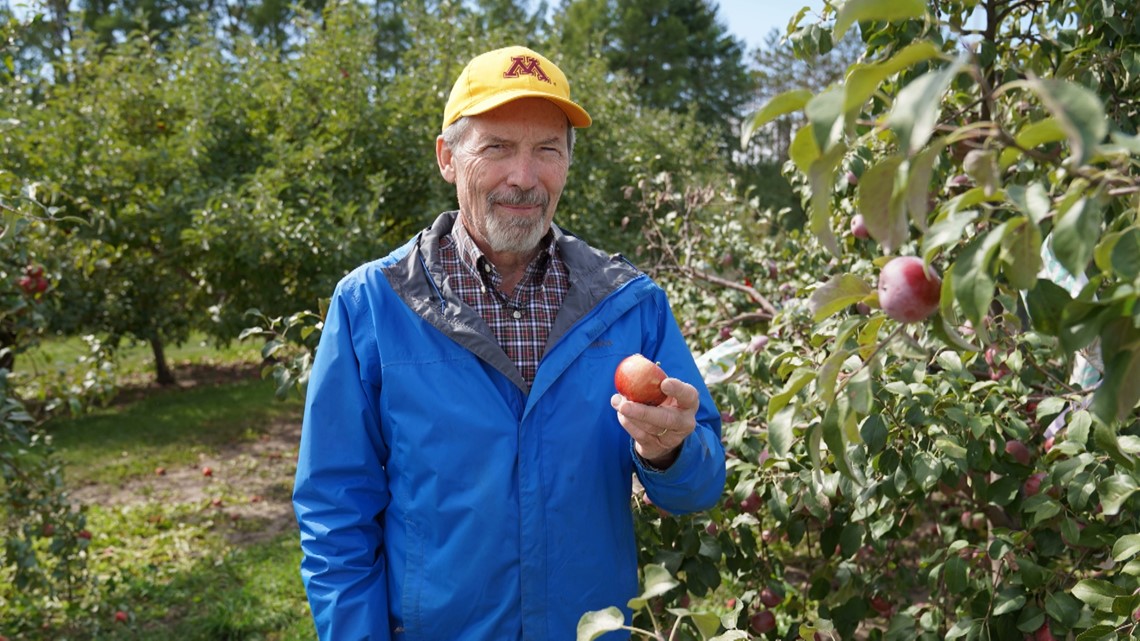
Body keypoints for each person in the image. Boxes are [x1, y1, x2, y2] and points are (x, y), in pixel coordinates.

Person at [292, 45, 726, 641]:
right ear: (448, 157)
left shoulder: (629, 304)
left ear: (568, 163)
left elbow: (701, 485)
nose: (524, 177)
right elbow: (335, 510)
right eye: (496, 147)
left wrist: (670, 452)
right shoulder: (374, 305)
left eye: (547, 150)